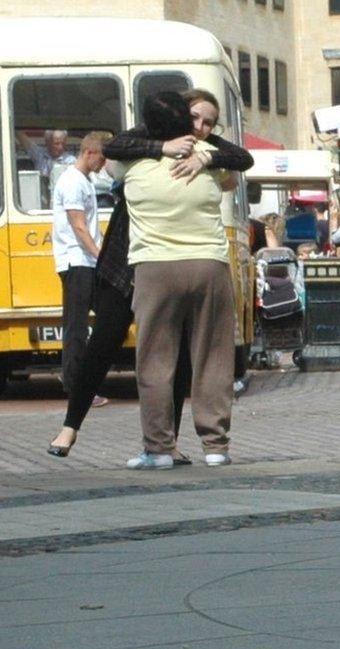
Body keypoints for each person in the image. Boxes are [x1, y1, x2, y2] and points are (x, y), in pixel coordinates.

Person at [50, 91, 252, 461]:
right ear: (179, 119)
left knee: (164, 357)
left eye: (209, 122)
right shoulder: (147, 147)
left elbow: (240, 159)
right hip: (129, 258)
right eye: (194, 118)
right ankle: (71, 427)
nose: (201, 127)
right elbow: (118, 146)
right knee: (111, 344)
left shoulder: (199, 155)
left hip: (152, 260)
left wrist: (205, 153)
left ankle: (163, 446)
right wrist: (162, 146)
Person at [116, 90, 242, 469]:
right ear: (187, 126)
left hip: (154, 268)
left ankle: (158, 447)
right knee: (213, 356)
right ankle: (215, 445)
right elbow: (237, 170)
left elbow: (111, 148)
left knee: (155, 360)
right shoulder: (208, 167)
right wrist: (204, 154)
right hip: (208, 265)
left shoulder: (129, 165)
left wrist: (156, 146)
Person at [51, 131, 110, 402]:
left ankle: (84, 381)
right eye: (102, 157)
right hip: (77, 260)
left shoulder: (84, 180)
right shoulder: (73, 181)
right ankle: (77, 387)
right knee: (76, 326)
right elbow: (78, 225)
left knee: (105, 317)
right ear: (89, 152)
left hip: (84, 261)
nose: (103, 164)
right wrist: (99, 255)